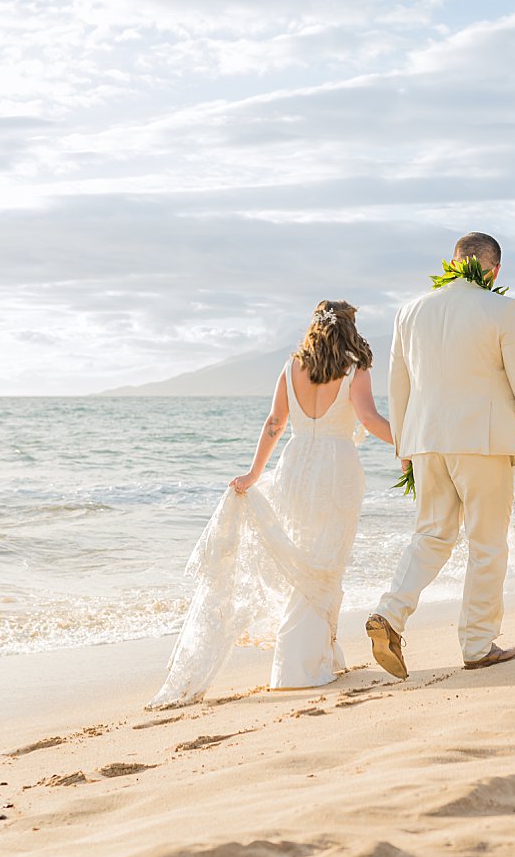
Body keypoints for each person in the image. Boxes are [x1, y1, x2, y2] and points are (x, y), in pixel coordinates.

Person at [148, 300, 394, 708]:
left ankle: (322, 655)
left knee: (306, 559)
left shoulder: (292, 366)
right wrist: (407, 442)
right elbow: (367, 419)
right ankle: (298, 664)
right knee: (326, 561)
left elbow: (275, 424)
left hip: (295, 466)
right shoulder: (354, 366)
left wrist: (254, 473)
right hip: (337, 467)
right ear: (348, 329)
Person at [366, 232, 515, 678]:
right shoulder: (503, 309)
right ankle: (477, 642)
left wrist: (403, 446)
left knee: (432, 536)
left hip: (426, 440)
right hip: (484, 439)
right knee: (487, 542)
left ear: (453, 263)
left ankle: (390, 614)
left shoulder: (409, 311)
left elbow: (398, 384)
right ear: (494, 271)